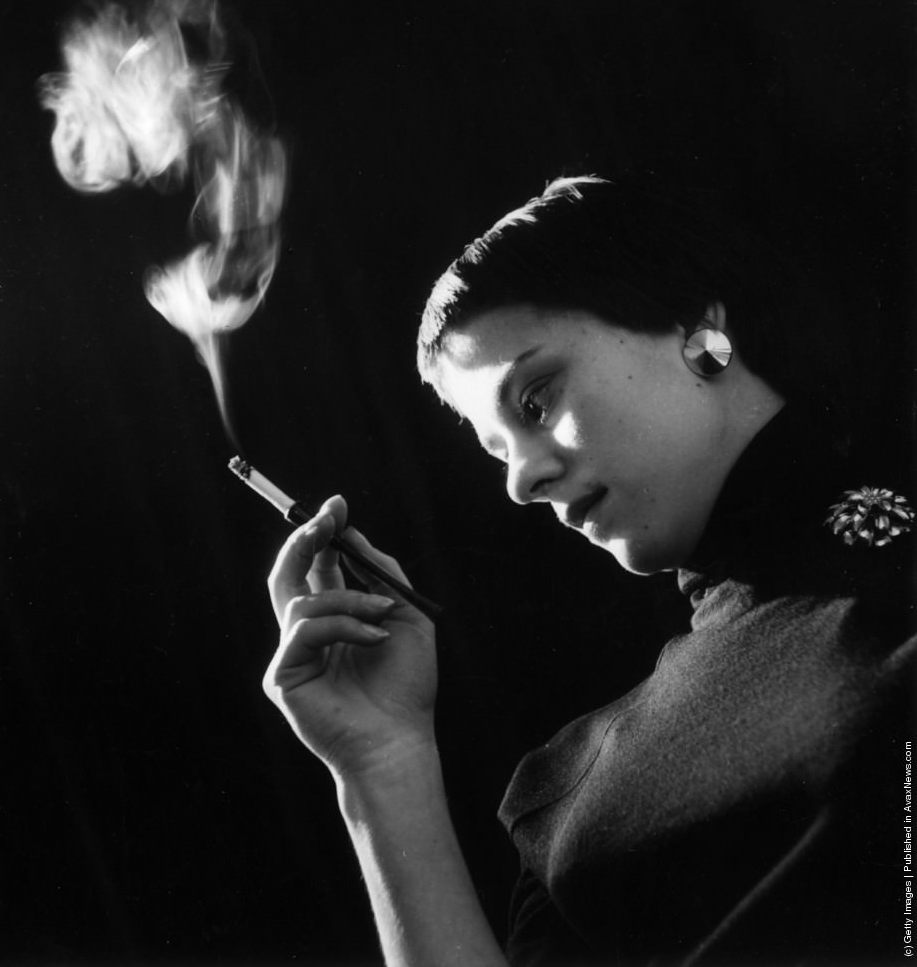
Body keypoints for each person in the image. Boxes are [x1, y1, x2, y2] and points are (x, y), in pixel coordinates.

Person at [262, 177, 915, 966]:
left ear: (695, 326)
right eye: (496, 451)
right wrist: (379, 764)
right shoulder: (566, 799)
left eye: (534, 401)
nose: (518, 481)